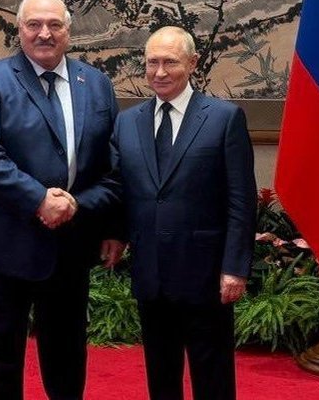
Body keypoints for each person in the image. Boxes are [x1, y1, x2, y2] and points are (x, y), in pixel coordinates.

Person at [0, 0, 124, 400]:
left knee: (67, 352)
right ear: (20, 30)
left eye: (54, 25)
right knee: (1, 356)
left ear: (68, 30)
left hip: (71, 242)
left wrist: (109, 225)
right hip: (4, 242)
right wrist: (39, 199)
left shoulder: (96, 83)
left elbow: (114, 164)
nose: (44, 34)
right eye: (34, 24)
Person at [109, 26, 257, 400]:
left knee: (213, 376)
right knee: (161, 375)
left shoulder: (224, 118)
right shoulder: (127, 121)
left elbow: (241, 199)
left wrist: (235, 267)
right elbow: (119, 189)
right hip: (151, 273)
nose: (159, 72)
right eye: (152, 63)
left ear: (192, 63)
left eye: (170, 62)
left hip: (205, 274)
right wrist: (115, 234)